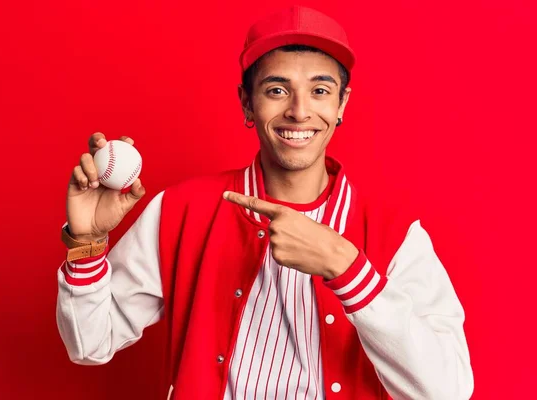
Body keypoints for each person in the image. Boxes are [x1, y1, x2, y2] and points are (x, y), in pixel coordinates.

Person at [56, 5, 474, 400]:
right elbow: (90, 344)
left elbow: (448, 390)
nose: (299, 111)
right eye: (277, 90)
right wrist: (87, 242)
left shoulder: (395, 234)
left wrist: (347, 268)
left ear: (342, 104)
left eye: (320, 90)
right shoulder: (183, 209)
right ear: (246, 103)